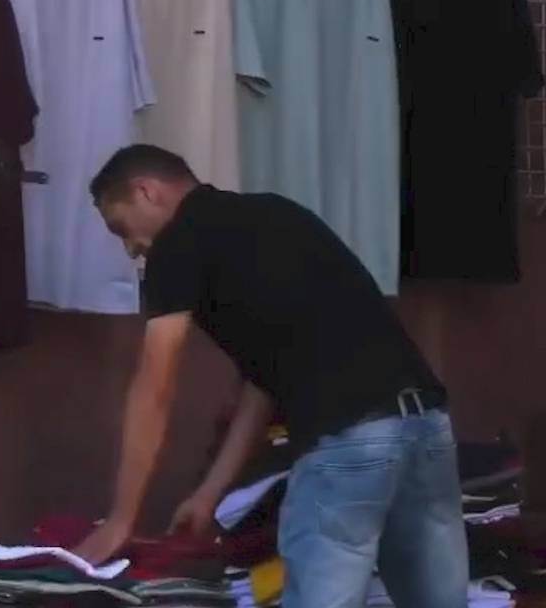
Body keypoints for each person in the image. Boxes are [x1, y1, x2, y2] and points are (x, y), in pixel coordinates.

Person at [71, 144, 468, 608]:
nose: (132, 248)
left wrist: (121, 519)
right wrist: (210, 493)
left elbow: (154, 388)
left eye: (121, 229)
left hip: (350, 441)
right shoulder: (279, 214)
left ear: (147, 191)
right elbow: (265, 382)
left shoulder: (177, 244)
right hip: (426, 427)